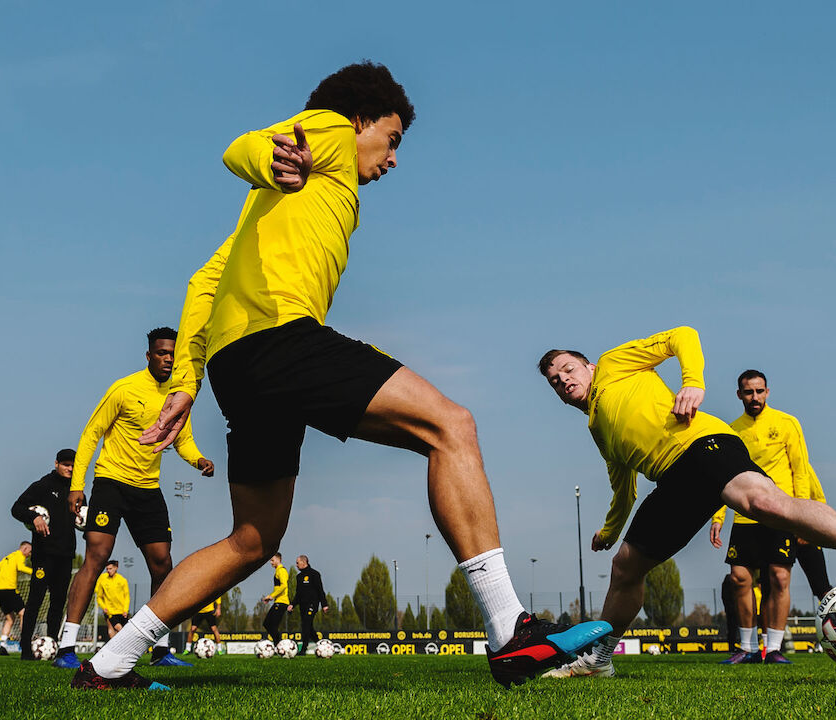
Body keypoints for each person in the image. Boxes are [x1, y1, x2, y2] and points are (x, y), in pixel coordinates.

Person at [70, 61, 609, 692]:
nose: (393, 159)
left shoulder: (266, 213)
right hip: (280, 340)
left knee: (252, 539)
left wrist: (187, 381)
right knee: (451, 426)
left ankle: (109, 663)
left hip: (237, 364)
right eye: (392, 140)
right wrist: (271, 158)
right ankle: (509, 630)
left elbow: (204, 283)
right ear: (360, 121)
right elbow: (242, 147)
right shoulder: (326, 133)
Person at [535, 328, 836, 678]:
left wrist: (692, 383)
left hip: (701, 444)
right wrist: (609, 530)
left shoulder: (613, 364)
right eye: (555, 381)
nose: (563, 380)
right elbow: (623, 488)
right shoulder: (597, 426)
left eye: (568, 369)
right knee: (625, 567)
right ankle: (599, 659)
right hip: (672, 481)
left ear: (589, 366)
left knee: (763, 503)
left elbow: (682, 336)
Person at [56, 326, 216, 670]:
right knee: (97, 556)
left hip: (148, 488)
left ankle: (160, 649)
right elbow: (91, 433)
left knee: (162, 564)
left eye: (172, 353)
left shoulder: (179, 396)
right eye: (161, 353)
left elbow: (182, 440)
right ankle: (66, 647)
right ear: (149, 356)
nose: (168, 359)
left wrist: (198, 460)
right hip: (111, 482)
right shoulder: (124, 388)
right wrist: (76, 485)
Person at [708, 369, 830, 664]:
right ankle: (747, 647)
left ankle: (773, 648)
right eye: (749, 392)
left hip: (780, 514)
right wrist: (718, 517)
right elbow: (723, 477)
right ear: (739, 395)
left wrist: (801, 516)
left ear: (767, 392)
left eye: (759, 391)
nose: (755, 397)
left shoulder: (787, 423)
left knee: (779, 577)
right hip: (746, 515)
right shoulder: (731, 431)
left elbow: (800, 471)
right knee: (739, 578)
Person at [10, 448, 79, 660]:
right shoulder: (42, 485)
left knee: (58, 603)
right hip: (44, 554)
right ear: (56, 463)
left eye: (73, 465)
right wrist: (34, 517)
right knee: (35, 600)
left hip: (66, 554)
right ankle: (25, 649)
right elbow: (16, 508)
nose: (70, 468)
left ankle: (53, 646)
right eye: (66, 464)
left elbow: (82, 516)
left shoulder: (76, 489)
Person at [0, 543, 33, 655]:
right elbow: (21, 567)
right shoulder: (19, 556)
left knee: (10, 619)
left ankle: (2, 646)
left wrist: (1, 581)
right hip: (9, 589)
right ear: (25, 548)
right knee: (23, 613)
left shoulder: (7, 557)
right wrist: (35, 573)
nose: (30, 554)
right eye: (30, 551)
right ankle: (25, 641)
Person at [289, 555, 328, 654]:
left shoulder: (314, 574)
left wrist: (324, 604)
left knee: (306, 624)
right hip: (303, 606)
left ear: (303, 562)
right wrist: (292, 604)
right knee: (308, 627)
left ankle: (303, 649)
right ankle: (321, 644)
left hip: (312, 604)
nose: (296, 565)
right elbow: (298, 594)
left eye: (297, 563)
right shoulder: (299, 577)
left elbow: (320, 590)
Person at [94, 560, 130, 639]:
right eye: (107, 569)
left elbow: (126, 596)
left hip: (121, 611)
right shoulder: (103, 579)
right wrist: (104, 607)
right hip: (110, 612)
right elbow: (99, 596)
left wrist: (125, 610)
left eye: (110, 569)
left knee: (120, 631)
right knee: (116, 629)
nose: (108, 571)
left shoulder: (122, 580)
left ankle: (119, 645)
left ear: (116, 568)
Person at [260, 553, 290, 645]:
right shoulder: (278, 571)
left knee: (270, 625)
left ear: (278, 559)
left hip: (282, 602)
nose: (271, 562)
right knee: (268, 624)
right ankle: (278, 644)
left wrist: (271, 596)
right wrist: (271, 598)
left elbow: (284, 585)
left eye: (272, 560)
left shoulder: (281, 571)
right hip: (278, 601)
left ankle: (279, 645)